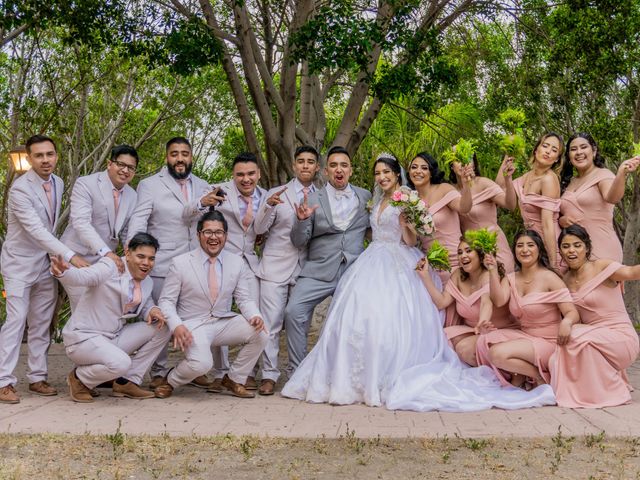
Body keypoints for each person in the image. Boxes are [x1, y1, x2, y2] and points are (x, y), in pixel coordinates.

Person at [283, 156, 556, 411]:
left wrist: (406, 223)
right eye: (377, 173)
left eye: (386, 172)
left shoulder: (408, 199)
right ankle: (356, 375)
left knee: (400, 319)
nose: (382, 177)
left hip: (401, 260)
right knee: (361, 318)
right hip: (372, 261)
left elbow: (413, 240)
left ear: (395, 174)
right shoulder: (372, 201)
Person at [0, 135, 89, 404]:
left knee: (41, 323)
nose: (46, 160)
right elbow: (37, 230)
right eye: (39, 156)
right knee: (16, 321)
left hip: (44, 263)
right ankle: (4, 381)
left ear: (56, 156)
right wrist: (70, 255)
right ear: (29, 159)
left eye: (50, 154)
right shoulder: (19, 190)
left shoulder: (59, 183)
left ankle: (37, 377)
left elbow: (50, 228)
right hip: (18, 263)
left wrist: (56, 256)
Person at [127, 136, 218, 388]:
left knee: (195, 316)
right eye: (174, 153)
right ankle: (158, 371)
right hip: (162, 262)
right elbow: (139, 219)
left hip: (195, 264)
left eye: (185, 153)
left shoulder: (203, 185)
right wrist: (133, 252)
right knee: (161, 320)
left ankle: (192, 367)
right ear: (166, 157)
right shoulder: (149, 185)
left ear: (191, 157)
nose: (180, 158)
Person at [154, 211, 268, 399]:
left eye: (219, 232)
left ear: (225, 236)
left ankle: (234, 378)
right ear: (198, 235)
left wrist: (255, 315)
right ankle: (171, 380)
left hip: (222, 321)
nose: (213, 237)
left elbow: (243, 299)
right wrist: (177, 325)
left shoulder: (236, 262)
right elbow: (166, 301)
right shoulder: (181, 263)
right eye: (208, 232)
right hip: (193, 324)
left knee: (262, 333)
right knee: (202, 365)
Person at [283, 146, 371, 373]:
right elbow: (298, 241)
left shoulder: (366, 197)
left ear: (351, 170)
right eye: (333, 165)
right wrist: (301, 220)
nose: (338, 169)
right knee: (293, 312)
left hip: (354, 271)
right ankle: (298, 371)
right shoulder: (312, 198)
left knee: (364, 319)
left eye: (344, 165)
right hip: (318, 271)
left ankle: (356, 372)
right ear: (324, 171)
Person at [53, 233, 170, 403]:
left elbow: (144, 304)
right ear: (128, 254)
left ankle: (127, 382)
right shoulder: (110, 266)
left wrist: (152, 310)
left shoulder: (147, 281)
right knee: (121, 363)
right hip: (84, 339)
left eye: (151, 259)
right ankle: (79, 379)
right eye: (141, 256)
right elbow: (86, 276)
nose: (146, 263)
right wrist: (65, 273)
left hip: (112, 337)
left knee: (163, 327)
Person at [252, 145, 320, 395]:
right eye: (300, 161)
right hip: (274, 267)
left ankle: (297, 372)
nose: (305, 165)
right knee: (270, 324)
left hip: (305, 269)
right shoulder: (276, 193)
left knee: (299, 323)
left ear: (316, 167)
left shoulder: (321, 197)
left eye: (310, 161)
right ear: (293, 166)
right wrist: (268, 206)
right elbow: (258, 229)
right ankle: (269, 374)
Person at [476, 230, 579, 388]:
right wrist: (492, 270)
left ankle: (541, 377)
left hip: (549, 341)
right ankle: (529, 375)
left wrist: (567, 323)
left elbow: (571, 312)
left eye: (530, 245)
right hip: (525, 336)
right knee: (485, 339)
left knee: (497, 354)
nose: (525, 250)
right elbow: (498, 300)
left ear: (539, 249)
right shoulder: (511, 278)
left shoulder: (550, 278)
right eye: (520, 246)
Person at [551, 224, 640, 407]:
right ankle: (590, 393)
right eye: (565, 246)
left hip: (621, 339)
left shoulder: (601, 267)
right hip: (594, 339)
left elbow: (632, 272)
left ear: (587, 247)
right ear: (560, 251)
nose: (571, 251)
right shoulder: (564, 280)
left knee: (573, 334)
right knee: (561, 347)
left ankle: (615, 391)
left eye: (577, 245)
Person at [207, 152, 267, 391]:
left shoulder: (267, 197)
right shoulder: (220, 192)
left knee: (255, 316)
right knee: (216, 314)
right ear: (233, 175)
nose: (246, 179)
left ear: (258, 174)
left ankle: (243, 373)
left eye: (251, 173)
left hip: (250, 262)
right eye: (240, 174)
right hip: (222, 260)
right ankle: (219, 372)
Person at [60, 144, 139, 310]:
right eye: (121, 164)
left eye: (131, 167)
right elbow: (81, 223)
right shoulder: (86, 184)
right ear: (110, 164)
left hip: (103, 262)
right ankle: (77, 335)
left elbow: (124, 231)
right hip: (75, 256)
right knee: (83, 307)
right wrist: (107, 253)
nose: (125, 170)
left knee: (106, 307)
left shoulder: (132, 195)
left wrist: (131, 253)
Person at [419, 235, 516, 367]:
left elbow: (486, 303)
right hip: (474, 330)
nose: (463, 255)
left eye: (468, 251)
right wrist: (425, 276)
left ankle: (506, 369)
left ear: (480, 255)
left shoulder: (488, 275)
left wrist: (482, 322)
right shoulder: (458, 275)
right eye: (460, 252)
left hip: (498, 330)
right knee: (441, 338)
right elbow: (442, 302)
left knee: (463, 349)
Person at [559, 133, 640, 262]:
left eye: (583, 147)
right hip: (574, 252)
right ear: (569, 156)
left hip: (601, 248)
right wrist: (561, 221)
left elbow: (613, 198)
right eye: (573, 149)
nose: (579, 152)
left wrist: (621, 173)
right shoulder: (568, 182)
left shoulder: (603, 175)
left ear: (594, 151)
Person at [497, 133, 564, 269]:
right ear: (536, 149)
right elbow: (500, 186)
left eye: (554, 150)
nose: (548, 151)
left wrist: (553, 263)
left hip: (549, 246)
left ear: (557, 159)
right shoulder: (527, 176)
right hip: (531, 246)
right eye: (545, 146)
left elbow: (547, 223)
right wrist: (509, 154)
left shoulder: (549, 179)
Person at [408, 152, 473, 284]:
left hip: (457, 262)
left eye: (424, 168)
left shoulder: (444, 189)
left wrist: (466, 186)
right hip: (432, 268)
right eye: (414, 167)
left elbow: (464, 207)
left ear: (431, 172)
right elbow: (412, 240)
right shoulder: (409, 202)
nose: (418, 171)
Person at [453, 156, 516, 272]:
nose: (463, 163)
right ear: (451, 166)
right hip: (470, 252)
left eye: (467, 158)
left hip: (493, 244)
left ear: (474, 164)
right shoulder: (451, 191)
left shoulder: (483, 183)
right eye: (458, 159)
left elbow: (510, 205)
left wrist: (508, 179)